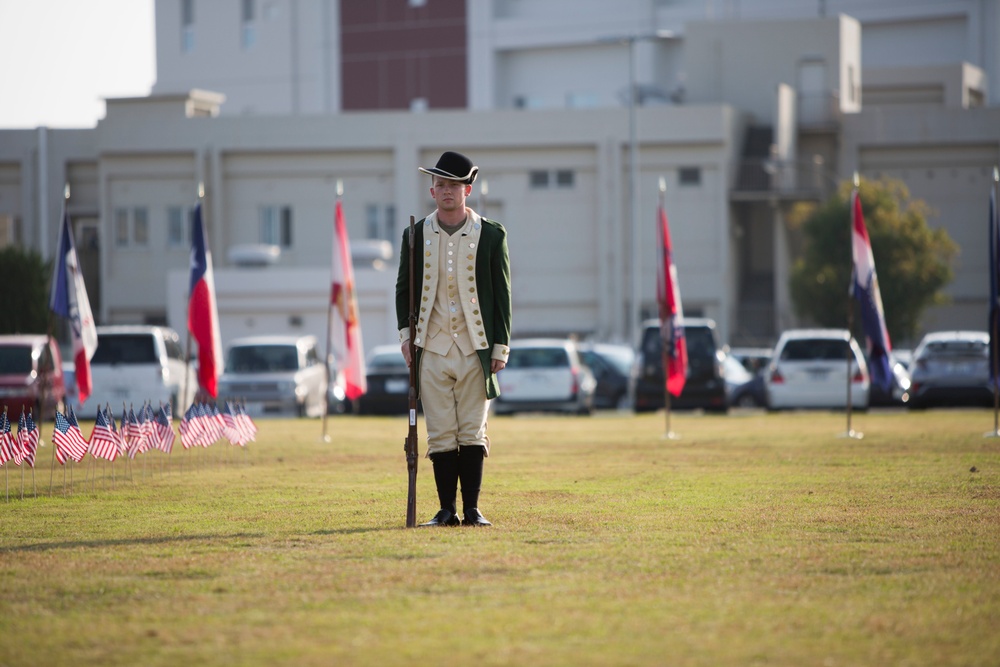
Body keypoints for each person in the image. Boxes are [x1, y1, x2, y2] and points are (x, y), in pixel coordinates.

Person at [395, 151, 512, 527]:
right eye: (441, 184)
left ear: (468, 190)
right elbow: (403, 290)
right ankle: (447, 510)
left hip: (475, 348)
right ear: (432, 190)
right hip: (430, 346)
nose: (447, 191)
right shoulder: (414, 236)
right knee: (441, 432)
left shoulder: (492, 235)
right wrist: (405, 338)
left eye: (454, 185)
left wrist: (500, 347)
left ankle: (473, 509)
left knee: (472, 431)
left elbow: (502, 293)